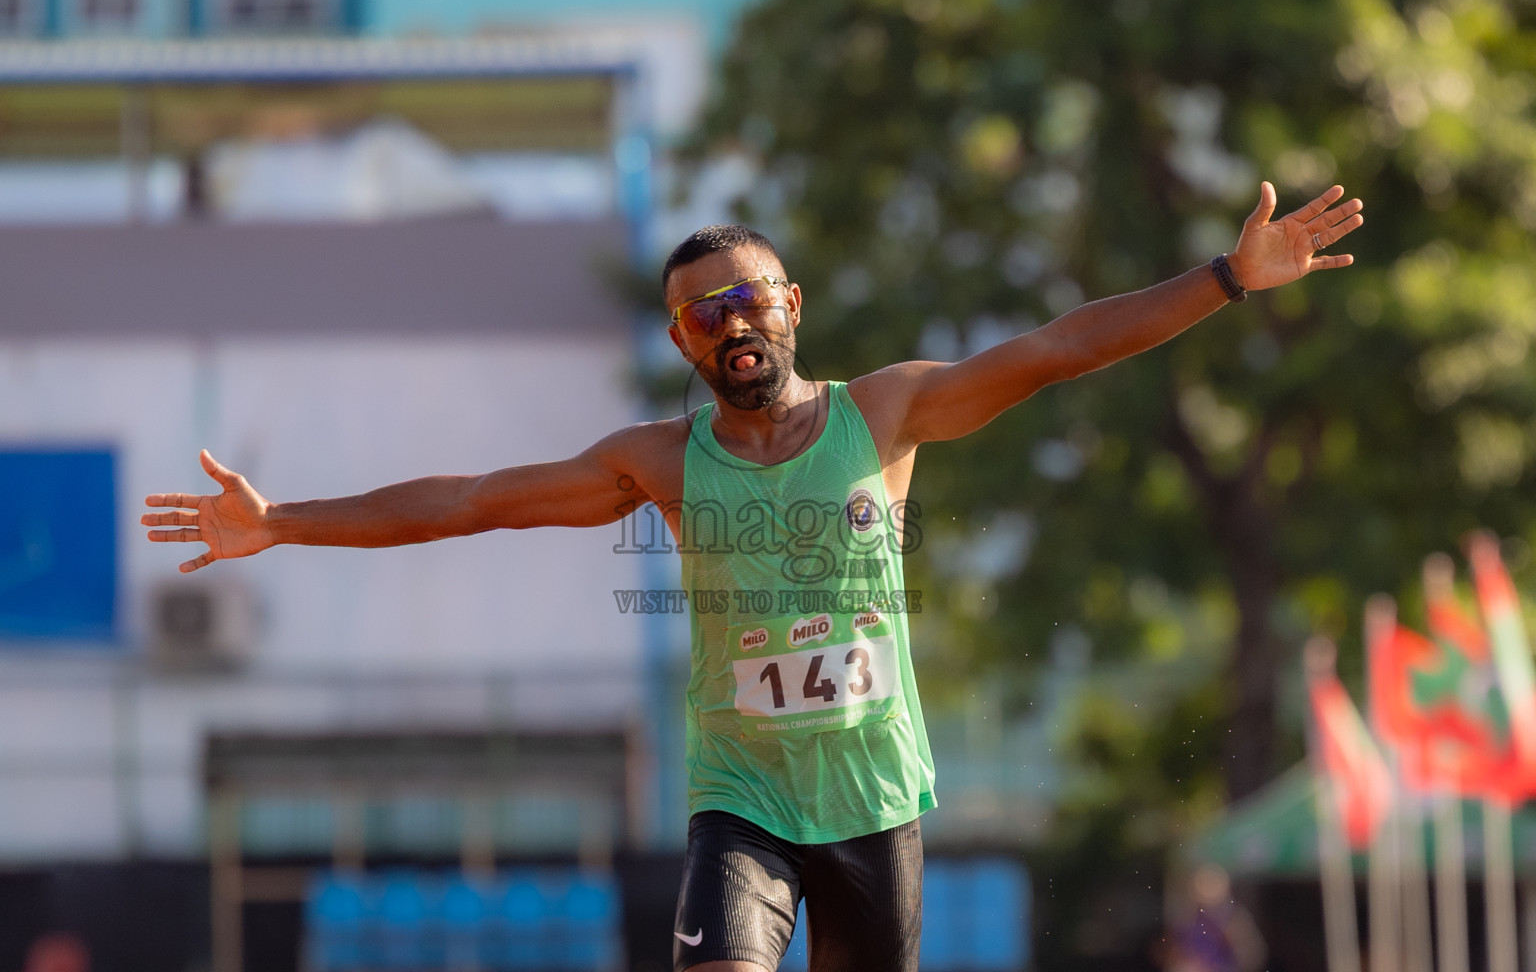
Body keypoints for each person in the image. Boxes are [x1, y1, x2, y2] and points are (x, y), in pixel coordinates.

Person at [142, 181, 1362, 972]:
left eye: (744, 298)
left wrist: (1224, 278)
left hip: (874, 795)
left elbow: (1058, 349)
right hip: (743, 800)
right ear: (681, 341)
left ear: (789, 306)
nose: (727, 322)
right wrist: (281, 522)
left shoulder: (886, 414)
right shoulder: (659, 464)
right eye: (698, 315)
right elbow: (471, 502)